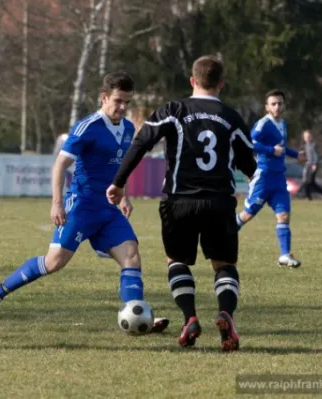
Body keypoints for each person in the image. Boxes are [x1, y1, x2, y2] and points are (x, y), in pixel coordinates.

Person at [0, 72, 169, 333]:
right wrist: (57, 203)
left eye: (127, 102)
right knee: (54, 262)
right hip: (82, 206)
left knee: (132, 257)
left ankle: (136, 312)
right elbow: (60, 165)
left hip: (108, 210)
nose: (123, 107)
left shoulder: (127, 128)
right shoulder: (87, 127)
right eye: (118, 101)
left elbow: (119, 168)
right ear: (104, 98)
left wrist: (124, 195)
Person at [106, 55, 257, 352]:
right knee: (224, 265)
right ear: (221, 84)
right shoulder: (231, 116)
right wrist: (255, 183)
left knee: (177, 261)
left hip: (179, 202)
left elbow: (141, 142)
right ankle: (226, 313)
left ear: (192, 80)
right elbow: (249, 165)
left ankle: (190, 318)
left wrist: (119, 182)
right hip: (219, 202)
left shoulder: (174, 110)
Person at [235, 89, 306, 268]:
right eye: (273, 104)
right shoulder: (262, 124)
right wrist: (270, 151)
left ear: (284, 105)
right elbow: (250, 144)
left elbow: (280, 147)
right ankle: (222, 237)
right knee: (247, 216)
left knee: (283, 216)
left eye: (280, 103)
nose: (277, 106)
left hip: (279, 179)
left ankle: (284, 255)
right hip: (263, 178)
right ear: (267, 107)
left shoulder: (282, 124)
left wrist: (296, 154)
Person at [300, 129, 322, 200]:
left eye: (308, 137)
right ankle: (308, 196)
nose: (307, 138)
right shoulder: (305, 146)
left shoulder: (313, 145)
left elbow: (315, 155)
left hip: (312, 165)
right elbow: (304, 155)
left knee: (310, 182)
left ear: (311, 137)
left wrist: (314, 164)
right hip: (308, 165)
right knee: (307, 181)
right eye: (305, 137)